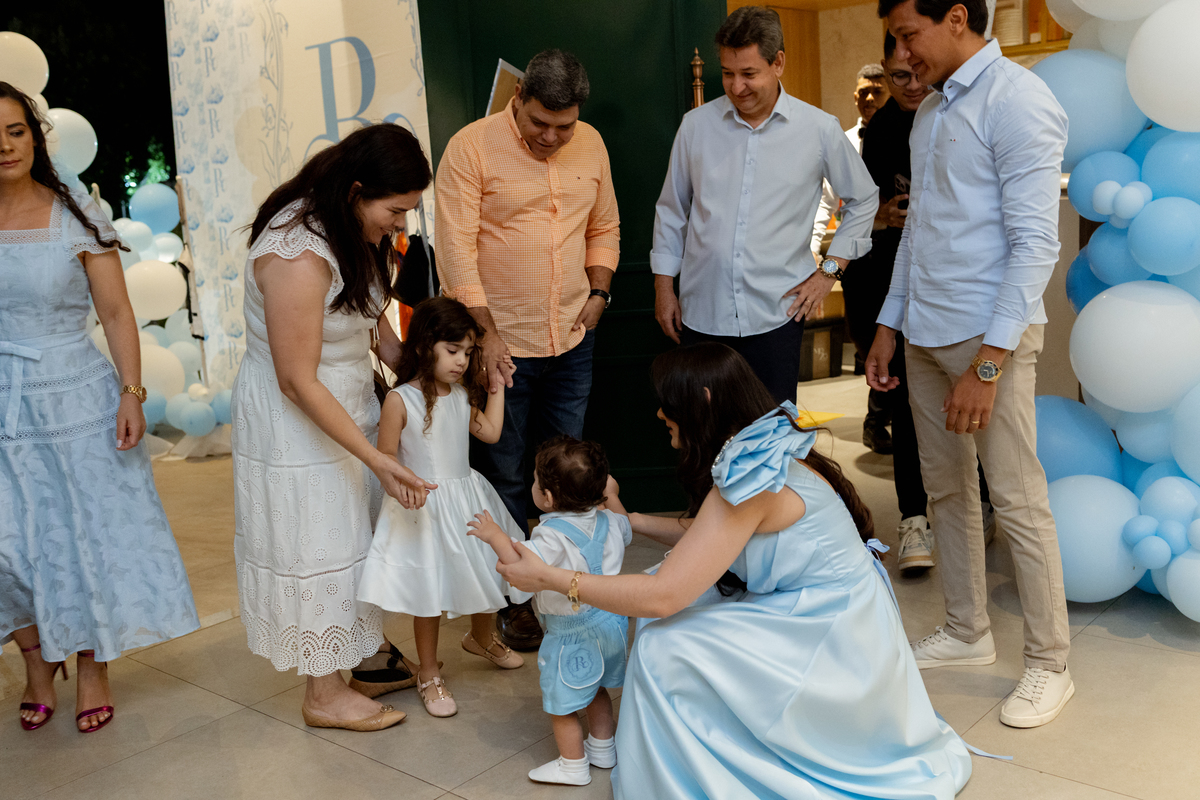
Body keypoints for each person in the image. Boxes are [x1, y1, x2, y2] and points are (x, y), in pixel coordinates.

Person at [497, 343, 973, 799]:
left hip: (831, 634)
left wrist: (551, 578)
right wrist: (632, 521)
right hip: (835, 609)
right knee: (672, 609)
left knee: (663, 643)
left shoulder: (749, 478)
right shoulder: (759, 447)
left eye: (667, 403)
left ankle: (697, 774)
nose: (659, 413)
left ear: (702, 400)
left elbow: (663, 596)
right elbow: (710, 536)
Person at [867, 0, 1073, 728]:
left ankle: (1050, 663)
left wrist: (988, 365)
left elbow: (1035, 244)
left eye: (908, 35)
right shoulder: (929, 110)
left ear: (956, 17)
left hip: (990, 339)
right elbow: (919, 231)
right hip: (923, 329)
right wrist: (888, 324)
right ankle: (966, 629)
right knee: (947, 490)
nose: (901, 54)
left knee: (1015, 498)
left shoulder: (1019, 100)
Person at [0, 82, 199, 733]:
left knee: (83, 537)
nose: (4, 146)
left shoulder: (74, 214)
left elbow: (115, 312)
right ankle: (36, 664)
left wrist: (131, 392)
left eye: (15, 131)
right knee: (9, 547)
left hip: (75, 400)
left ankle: (92, 664)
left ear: (34, 137)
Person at [233, 123, 437, 733]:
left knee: (356, 534)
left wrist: (421, 374)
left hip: (347, 397)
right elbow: (296, 379)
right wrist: (376, 458)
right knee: (317, 540)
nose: (401, 224)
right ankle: (322, 693)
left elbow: (367, 321)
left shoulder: (352, 229)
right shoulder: (297, 251)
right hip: (296, 415)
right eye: (395, 210)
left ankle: (362, 654)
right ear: (355, 192)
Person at [436, 48, 621, 651]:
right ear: (518, 98)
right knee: (507, 474)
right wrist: (486, 335)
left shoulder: (591, 144)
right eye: (540, 122)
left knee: (564, 474)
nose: (551, 137)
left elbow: (604, 227)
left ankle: (564, 583)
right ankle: (516, 601)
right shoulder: (470, 148)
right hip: (501, 344)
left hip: (571, 337)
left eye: (563, 126)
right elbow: (456, 251)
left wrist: (600, 290)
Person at [652, 6, 879, 405]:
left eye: (748, 74)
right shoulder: (696, 127)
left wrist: (829, 272)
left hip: (777, 318)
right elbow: (672, 211)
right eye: (728, 73)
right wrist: (663, 287)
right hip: (701, 315)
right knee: (703, 432)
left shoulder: (819, 129)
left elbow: (864, 199)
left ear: (778, 63)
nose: (736, 87)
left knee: (771, 432)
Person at [357, 297, 525, 719]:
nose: (461, 361)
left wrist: (495, 386)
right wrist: (403, 485)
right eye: (453, 350)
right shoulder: (400, 400)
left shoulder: (460, 396)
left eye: (467, 352)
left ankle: (481, 638)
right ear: (424, 345)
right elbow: (386, 455)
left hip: (468, 498)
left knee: (487, 567)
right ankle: (428, 673)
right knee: (428, 591)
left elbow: (491, 432)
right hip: (426, 505)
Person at [470, 436, 630, 787]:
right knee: (597, 687)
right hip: (612, 624)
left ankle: (572, 766)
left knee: (563, 704)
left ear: (548, 497)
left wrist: (495, 536)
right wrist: (612, 495)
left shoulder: (550, 536)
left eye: (535, 480)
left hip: (572, 633)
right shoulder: (612, 522)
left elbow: (521, 566)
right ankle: (603, 748)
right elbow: (626, 526)